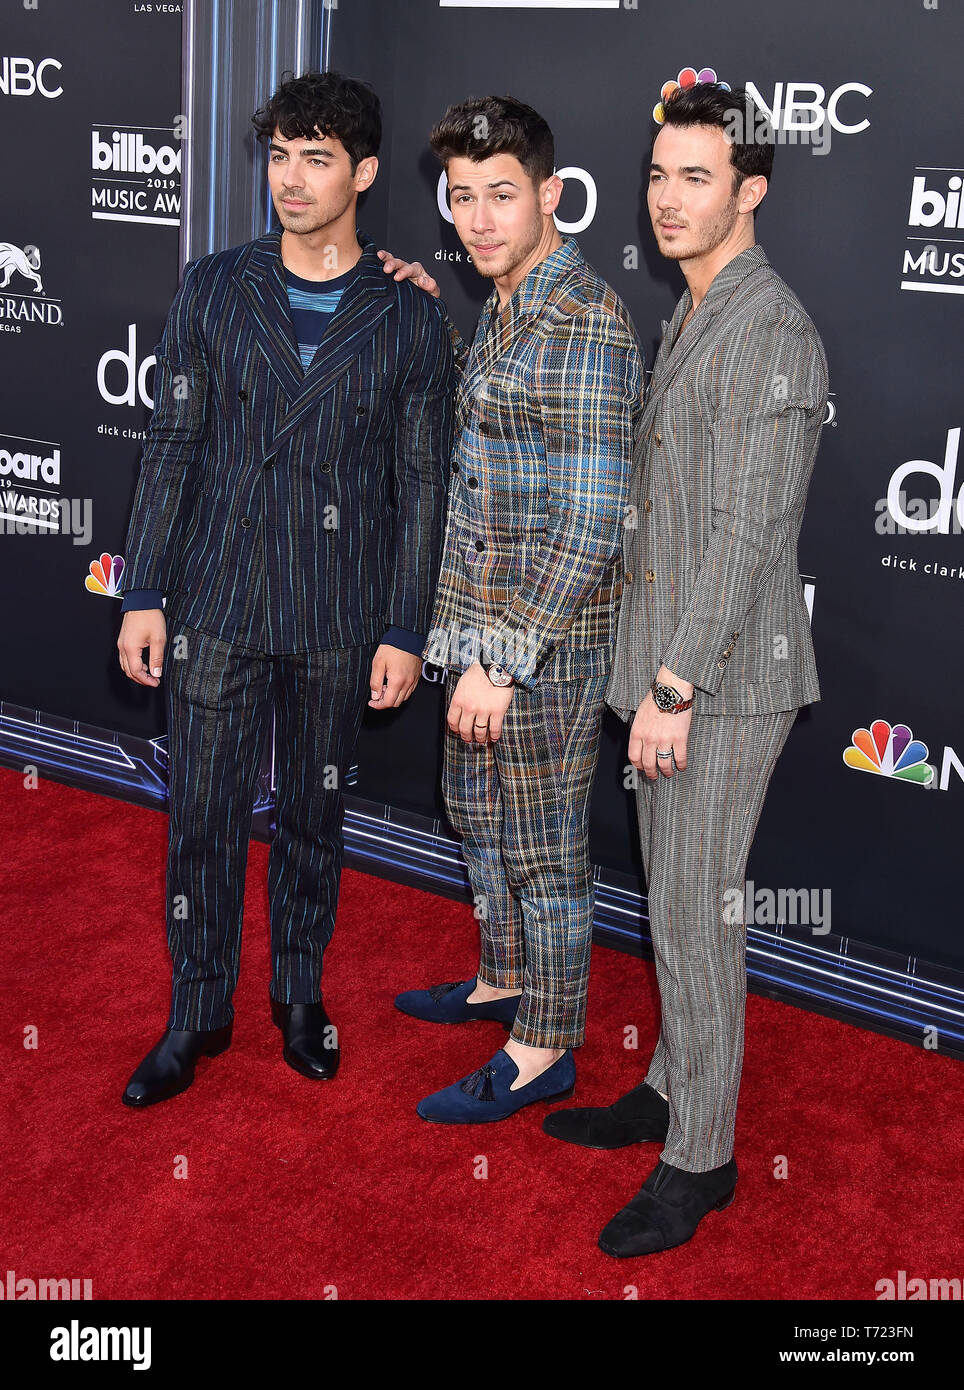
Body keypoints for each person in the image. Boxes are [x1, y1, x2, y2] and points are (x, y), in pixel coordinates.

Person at [116, 70, 454, 1107]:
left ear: (362, 173)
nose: (291, 179)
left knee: (314, 812)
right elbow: (172, 445)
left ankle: (299, 995)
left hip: (337, 608)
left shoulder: (406, 316)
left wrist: (404, 623)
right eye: (278, 155)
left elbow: (420, 485)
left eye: (316, 158)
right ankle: (196, 1009)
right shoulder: (214, 285)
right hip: (216, 594)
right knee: (202, 815)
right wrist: (144, 590)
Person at [543, 82, 828, 1257]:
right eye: (658, 174)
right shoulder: (698, 305)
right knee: (672, 904)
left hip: (716, 681)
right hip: (673, 667)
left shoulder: (771, 328)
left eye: (695, 177)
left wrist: (672, 689)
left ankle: (701, 1159)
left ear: (750, 192)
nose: (666, 199)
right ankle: (667, 1087)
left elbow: (748, 535)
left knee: (699, 918)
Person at [379, 95, 643, 1123]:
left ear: (548, 192)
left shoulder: (580, 321)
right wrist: (430, 315)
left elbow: (587, 521)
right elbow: (500, 420)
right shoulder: (505, 298)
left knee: (540, 849)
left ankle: (545, 1047)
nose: (477, 219)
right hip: (476, 625)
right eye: (459, 199)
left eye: (499, 195)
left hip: (540, 645)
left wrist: (505, 660)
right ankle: (502, 979)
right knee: (477, 819)